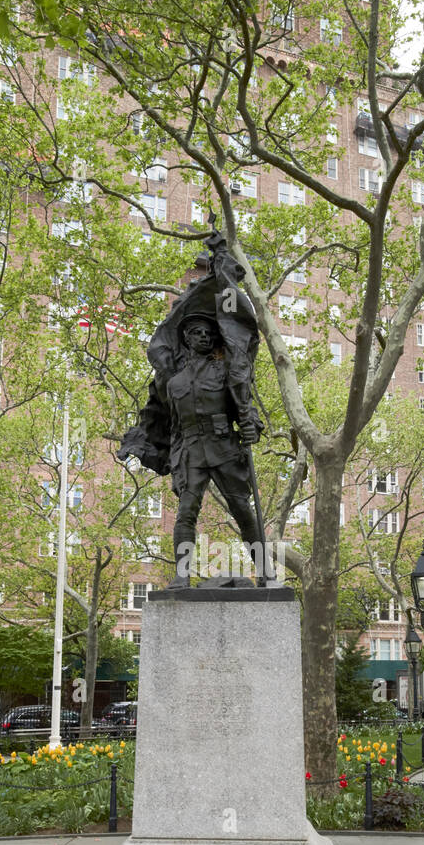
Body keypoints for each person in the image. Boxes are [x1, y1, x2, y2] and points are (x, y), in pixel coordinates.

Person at [118, 232, 267, 587]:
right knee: (186, 513)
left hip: (223, 446)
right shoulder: (172, 379)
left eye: (207, 333)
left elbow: (244, 405)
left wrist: (252, 427)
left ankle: (264, 571)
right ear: (186, 338)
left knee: (243, 510)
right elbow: (157, 414)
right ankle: (181, 577)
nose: (203, 337)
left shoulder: (225, 370)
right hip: (189, 450)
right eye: (197, 332)